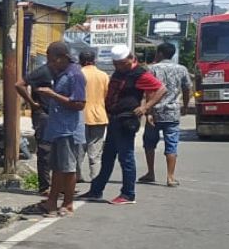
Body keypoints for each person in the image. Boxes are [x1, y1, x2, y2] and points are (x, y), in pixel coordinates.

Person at [79, 45, 166, 205]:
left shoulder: (139, 73)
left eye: (122, 64)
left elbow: (161, 89)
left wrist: (146, 107)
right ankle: (96, 190)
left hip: (127, 120)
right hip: (114, 118)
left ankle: (128, 194)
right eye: (116, 64)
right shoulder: (120, 72)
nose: (118, 67)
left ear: (130, 59)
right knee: (107, 157)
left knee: (126, 158)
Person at [33, 41, 86, 215]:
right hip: (58, 128)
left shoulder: (75, 75)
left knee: (68, 168)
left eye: (52, 60)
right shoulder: (62, 73)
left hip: (68, 129)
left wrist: (52, 95)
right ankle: (52, 201)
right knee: (56, 167)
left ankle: (68, 203)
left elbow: (79, 104)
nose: (49, 63)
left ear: (63, 57)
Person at [139, 42, 193, 187]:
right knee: (172, 145)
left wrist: (148, 111)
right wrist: (185, 106)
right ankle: (170, 177)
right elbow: (187, 89)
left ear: (161, 53)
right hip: (172, 112)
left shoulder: (152, 69)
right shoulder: (181, 69)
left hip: (155, 113)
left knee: (149, 144)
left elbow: (148, 91)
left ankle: (150, 172)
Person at [15, 60, 54, 195]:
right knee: (45, 150)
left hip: (55, 115)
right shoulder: (43, 71)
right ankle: (45, 187)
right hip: (43, 114)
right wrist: (32, 102)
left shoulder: (60, 72)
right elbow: (19, 85)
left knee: (57, 151)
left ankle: (57, 186)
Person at [77, 49, 110, 183]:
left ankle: (77, 176)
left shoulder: (78, 74)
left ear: (80, 61)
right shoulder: (103, 75)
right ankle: (95, 178)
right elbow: (107, 96)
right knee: (95, 152)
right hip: (100, 115)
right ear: (94, 60)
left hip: (81, 115)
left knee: (79, 149)